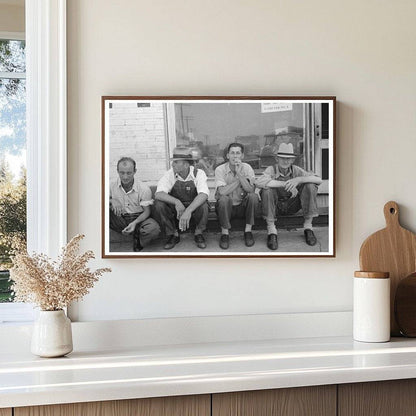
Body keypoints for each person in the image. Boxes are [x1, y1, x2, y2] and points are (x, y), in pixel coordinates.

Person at [256, 143, 322, 250]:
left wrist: (299, 180)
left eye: (289, 159)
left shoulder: (296, 170)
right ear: (277, 159)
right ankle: (272, 231)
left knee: (310, 185)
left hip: (292, 205)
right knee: (266, 190)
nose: (286, 161)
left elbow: (318, 180)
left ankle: (308, 228)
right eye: (282, 158)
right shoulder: (271, 169)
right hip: (275, 207)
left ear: (292, 160)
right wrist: (286, 184)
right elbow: (259, 182)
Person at [154, 147, 209, 250]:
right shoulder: (170, 174)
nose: (172, 164)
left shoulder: (199, 173)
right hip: (176, 211)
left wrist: (188, 210)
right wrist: (176, 202)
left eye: (176, 162)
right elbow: (158, 194)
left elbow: (204, 194)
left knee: (204, 205)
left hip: (193, 209)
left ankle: (198, 233)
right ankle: (173, 234)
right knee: (159, 204)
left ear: (186, 165)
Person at [110, 157, 160, 252]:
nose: (125, 177)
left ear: (135, 171)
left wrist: (134, 223)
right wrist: (112, 201)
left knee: (154, 228)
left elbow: (147, 212)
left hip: (139, 218)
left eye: (129, 173)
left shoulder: (143, 188)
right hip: (119, 218)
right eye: (122, 173)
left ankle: (139, 240)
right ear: (117, 171)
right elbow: (97, 200)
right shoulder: (111, 185)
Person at [215, 143, 259, 249]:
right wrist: (240, 180)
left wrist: (239, 174)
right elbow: (221, 192)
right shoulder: (220, 169)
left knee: (253, 197)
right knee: (224, 199)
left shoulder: (247, 168)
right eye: (232, 153)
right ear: (227, 156)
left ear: (242, 156)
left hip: (242, 207)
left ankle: (248, 231)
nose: (235, 156)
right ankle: (225, 233)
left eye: (238, 153)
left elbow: (250, 190)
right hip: (226, 208)